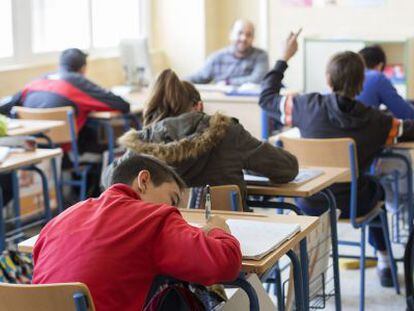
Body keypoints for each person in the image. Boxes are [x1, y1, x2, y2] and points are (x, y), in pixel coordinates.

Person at [259, 32, 414, 286]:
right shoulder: (378, 122)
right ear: (362, 85)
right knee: (378, 188)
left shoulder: (304, 106)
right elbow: (408, 127)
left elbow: (266, 98)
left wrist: (284, 57)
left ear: (328, 80)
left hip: (309, 199)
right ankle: (385, 259)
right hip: (356, 203)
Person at [32, 154, 242, 311]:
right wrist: (218, 229)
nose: (176, 210)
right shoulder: (154, 218)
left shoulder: (60, 219)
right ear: (143, 181)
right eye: (173, 199)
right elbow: (227, 264)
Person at [108, 69, 298, 210]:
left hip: (163, 245)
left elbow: (110, 181)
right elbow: (287, 169)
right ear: (199, 106)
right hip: (230, 240)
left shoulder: (142, 144)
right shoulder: (228, 132)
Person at [0, 48, 131, 153]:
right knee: (106, 141)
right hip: (66, 150)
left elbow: (6, 106)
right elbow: (121, 104)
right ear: (83, 68)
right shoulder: (78, 82)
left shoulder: (38, 81)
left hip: (34, 148)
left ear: (60, 65)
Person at [187, 19, 269, 86]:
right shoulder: (217, 57)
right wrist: (178, 83)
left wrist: (228, 82)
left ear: (253, 38)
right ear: (231, 35)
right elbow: (199, 77)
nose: (243, 38)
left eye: (248, 35)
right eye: (240, 33)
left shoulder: (261, 56)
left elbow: (257, 79)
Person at [357, 45, 414, 119]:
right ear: (380, 65)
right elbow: (406, 114)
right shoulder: (376, 77)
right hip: (363, 128)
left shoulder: (348, 76)